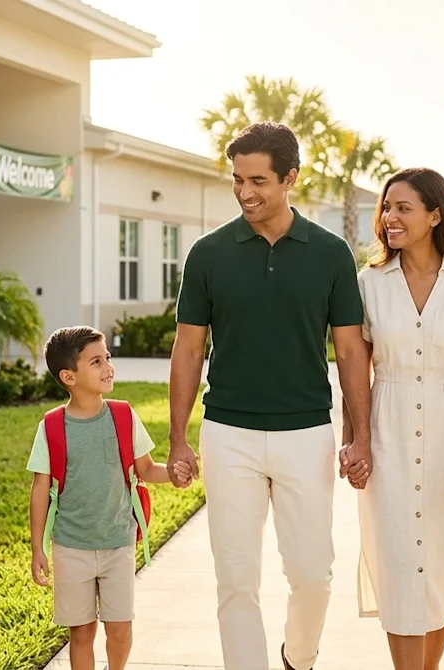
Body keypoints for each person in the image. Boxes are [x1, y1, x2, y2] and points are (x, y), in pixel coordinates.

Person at [166, 121, 373, 670]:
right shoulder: (208, 254)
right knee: (235, 578)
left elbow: (352, 353)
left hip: (306, 433)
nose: (245, 192)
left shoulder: (330, 255)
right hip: (227, 433)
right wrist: (178, 439)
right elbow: (188, 351)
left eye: (258, 180)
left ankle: (297, 658)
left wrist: (363, 437)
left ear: (290, 179)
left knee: (312, 573)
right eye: (237, 180)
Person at [343, 167, 444, 670]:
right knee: (397, 566)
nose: (390, 217)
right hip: (387, 434)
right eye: (386, 208)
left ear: (435, 215)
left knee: (440, 566)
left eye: (403, 207)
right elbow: (356, 372)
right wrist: (356, 443)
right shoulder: (368, 283)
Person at [28, 326, 191, 670]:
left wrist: (173, 474)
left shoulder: (122, 416)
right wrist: (37, 548)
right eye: (96, 361)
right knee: (82, 633)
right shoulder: (52, 426)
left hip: (118, 542)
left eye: (108, 358)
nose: (108, 367)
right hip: (72, 547)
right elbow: (40, 489)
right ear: (68, 376)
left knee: (120, 629)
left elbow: (145, 469)